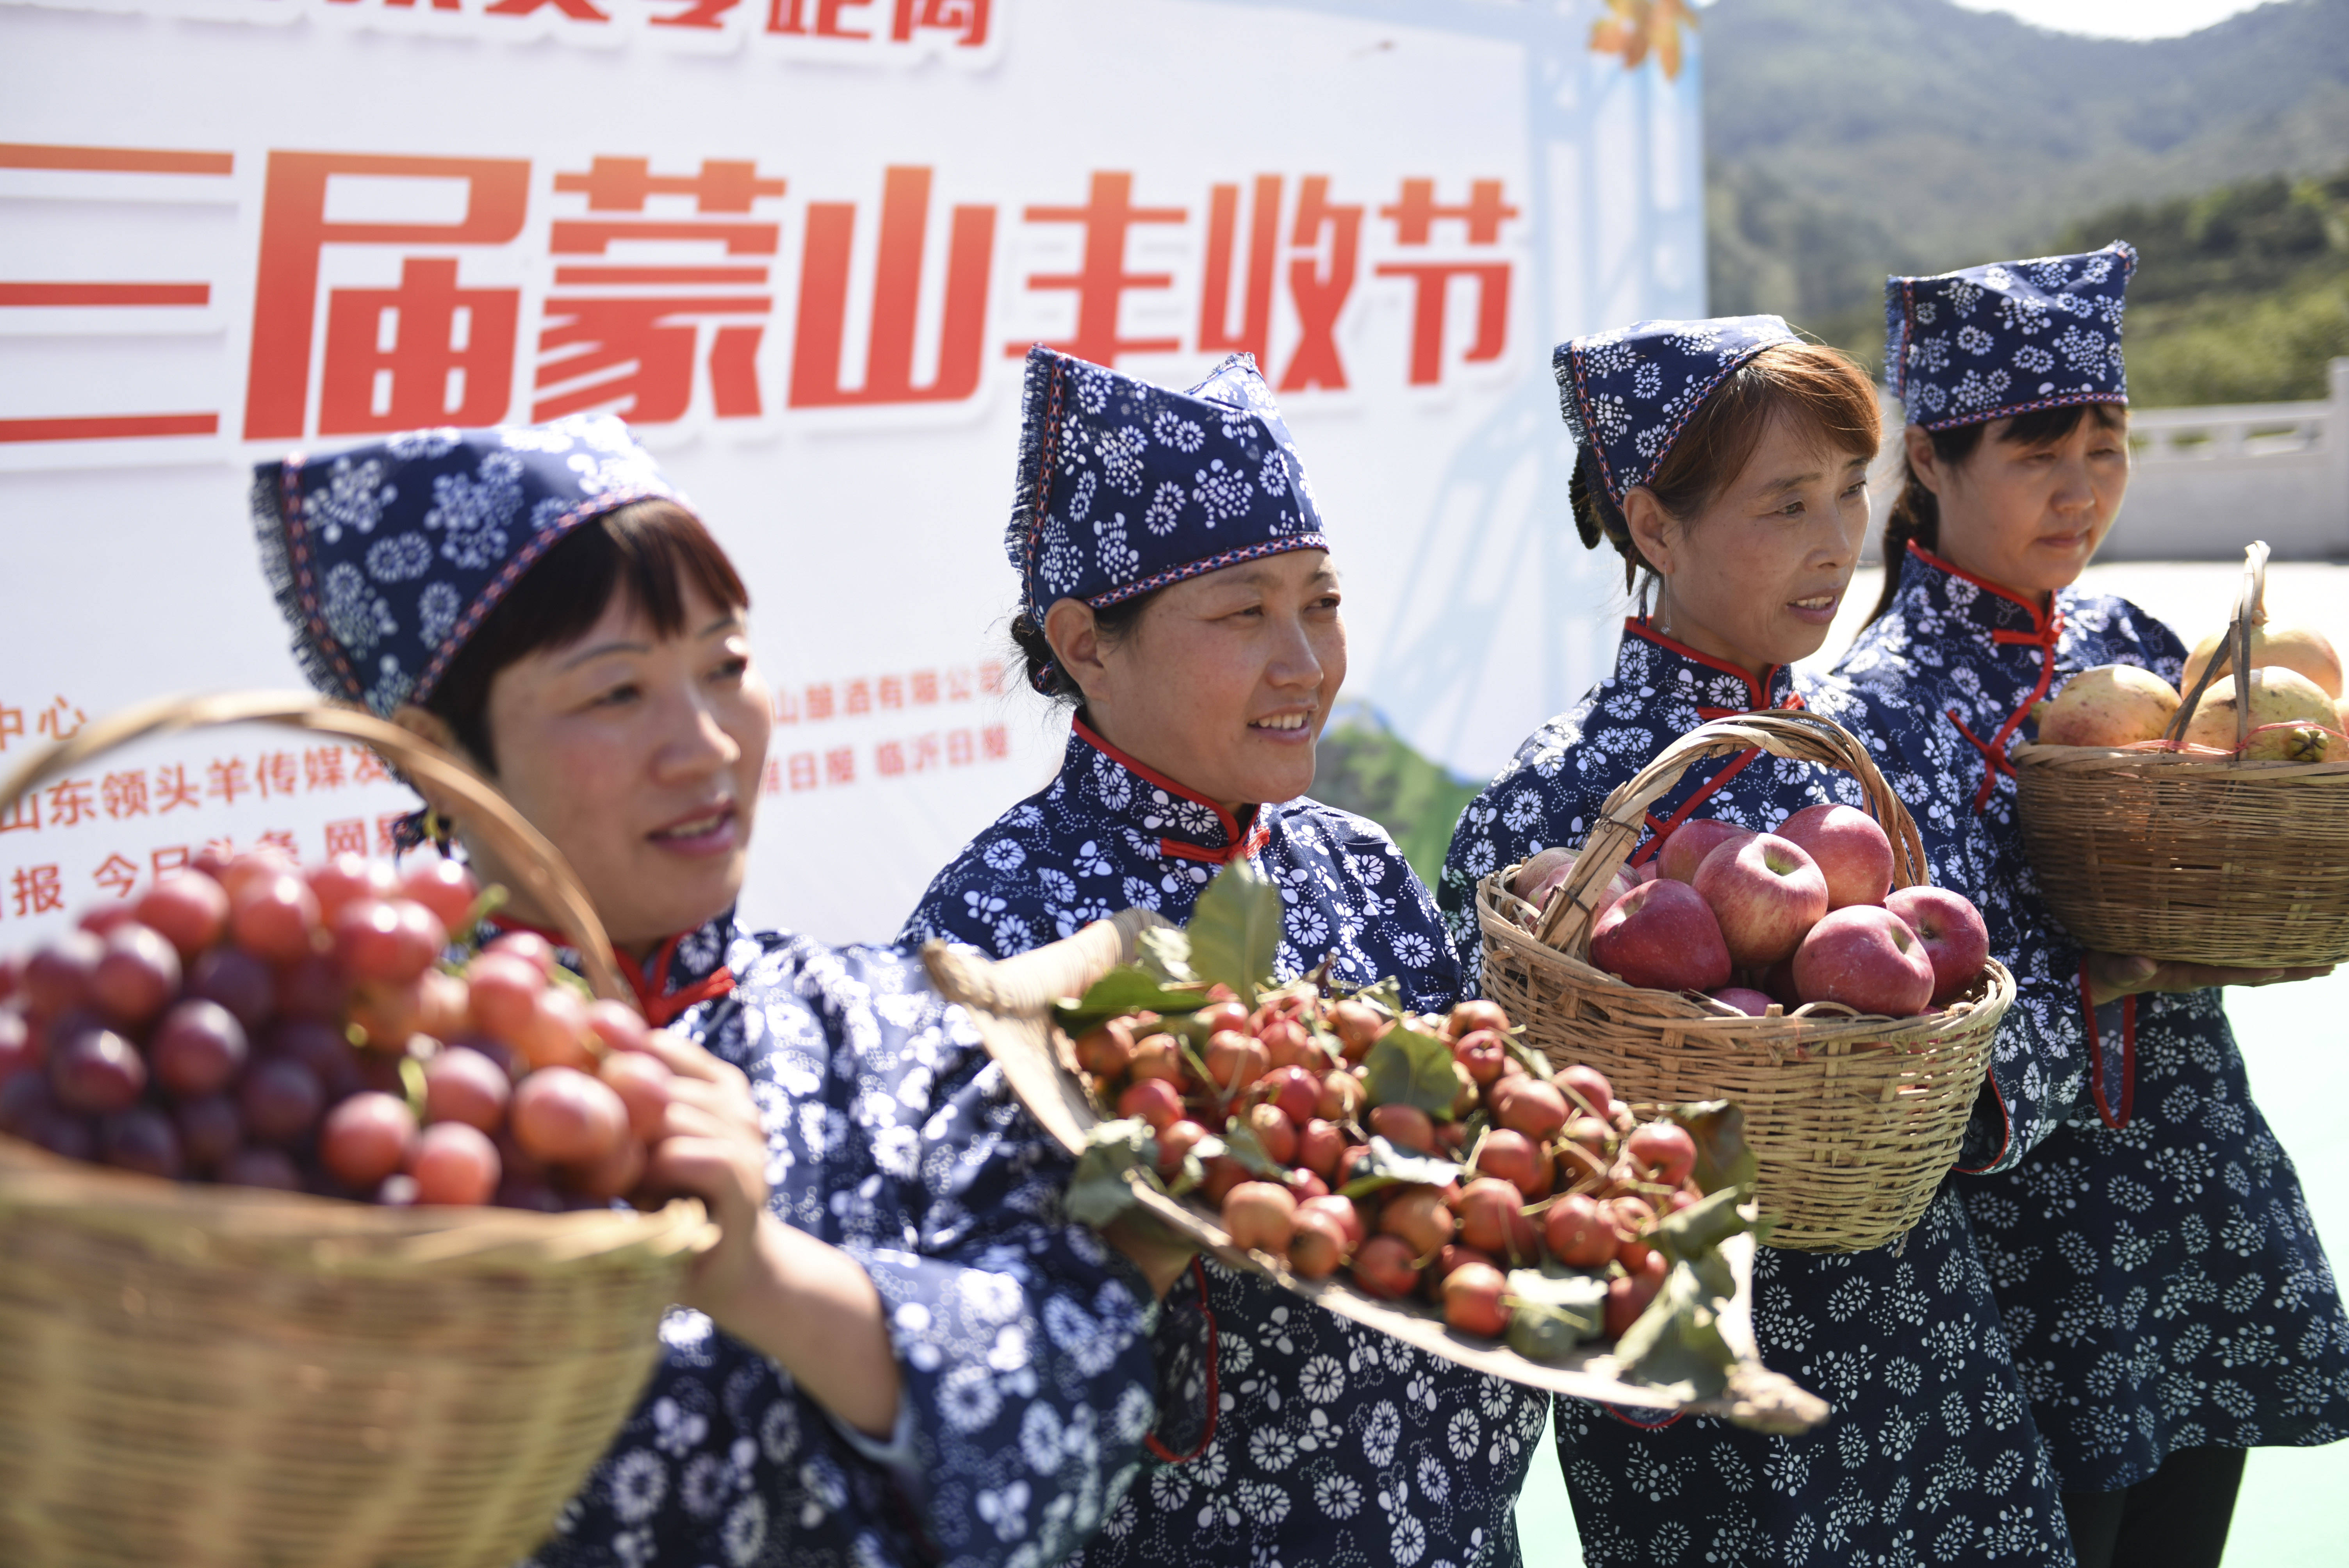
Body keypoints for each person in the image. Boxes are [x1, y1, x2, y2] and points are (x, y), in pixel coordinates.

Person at [252, 414, 1160, 1568]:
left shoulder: (893, 1028)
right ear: (442, 754)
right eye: (616, 693)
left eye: (725, 667)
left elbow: (1080, 1400)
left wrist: (768, 1278)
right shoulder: (351, 1081)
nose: (704, 745)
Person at [1438, 317, 2078, 1565]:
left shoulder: (1874, 753)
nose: (1837, 543)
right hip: (1704, 1385)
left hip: (1925, 1329)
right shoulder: (1554, 807)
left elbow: (2001, 1009)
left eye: (1849, 494)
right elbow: (1498, 1124)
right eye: (1785, 505)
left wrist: (1963, 1085)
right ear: (1654, 526)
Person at [904, 347, 1551, 1564]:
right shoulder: (999, 928)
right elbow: (956, 1327)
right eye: (1245, 612)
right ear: (1087, 642)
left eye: (1322, 601)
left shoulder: (1357, 865)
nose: (1304, 662)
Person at [1837, 243, 2349, 1568]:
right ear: (1933, 463)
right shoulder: (1869, 708)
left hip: (2192, 1202)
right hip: (2035, 1245)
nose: (2081, 492)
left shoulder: (2138, 641)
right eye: (2037, 453)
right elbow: (1906, 1005)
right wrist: (2107, 977)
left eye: (2107, 448)